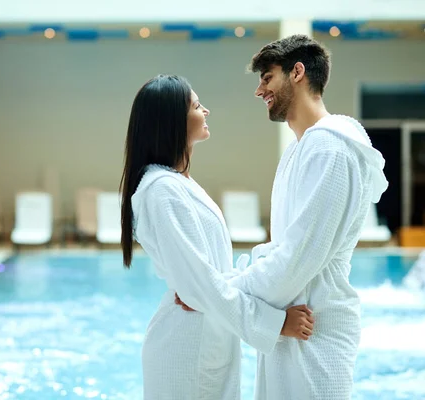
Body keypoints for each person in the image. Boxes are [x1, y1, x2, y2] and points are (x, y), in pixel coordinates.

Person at [175, 35, 389, 399]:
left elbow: (297, 260)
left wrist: (216, 294)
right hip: (293, 324)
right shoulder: (302, 150)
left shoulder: (331, 150)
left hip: (315, 332)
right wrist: (225, 282)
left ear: (298, 73)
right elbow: (282, 251)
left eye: (267, 77)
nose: (260, 90)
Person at [119, 74, 315, 400]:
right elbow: (200, 288)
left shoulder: (177, 184)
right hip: (186, 348)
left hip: (207, 338)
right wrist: (275, 323)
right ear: (172, 121)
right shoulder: (162, 191)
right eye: (196, 105)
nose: (206, 111)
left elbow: (206, 280)